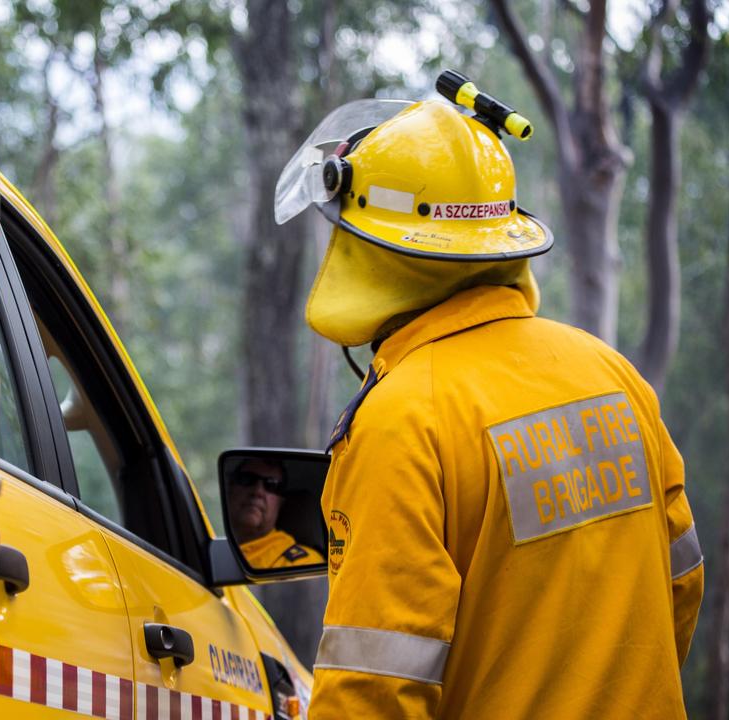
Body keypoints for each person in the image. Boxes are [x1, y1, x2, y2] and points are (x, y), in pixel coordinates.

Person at [273, 73, 703, 719]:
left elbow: (374, 684)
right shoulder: (612, 375)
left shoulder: (402, 421)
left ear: (368, 247)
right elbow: (682, 583)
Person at [226, 458, 322, 568]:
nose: (258, 491)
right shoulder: (211, 546)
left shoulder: (303, 562)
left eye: (271, 485)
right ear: (229, 489)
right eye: (247, 479)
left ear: (280, 503)